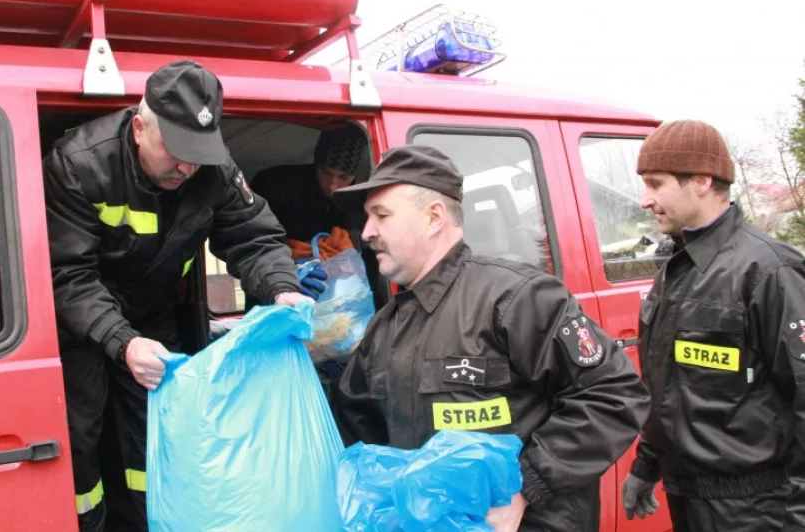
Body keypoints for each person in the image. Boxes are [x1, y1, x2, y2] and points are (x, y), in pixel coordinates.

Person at [42, 59, 311, 532]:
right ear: (140, 127)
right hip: (81, 328)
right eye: (177, 149)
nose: (187, 167)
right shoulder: (79, 164)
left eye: (199, 152)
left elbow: (255, 238)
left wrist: (281, 289)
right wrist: (122, 342)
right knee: (80, 436)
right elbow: (68, 275)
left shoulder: (212, 172)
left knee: (156, 436)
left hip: (154, 321)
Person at [330, 144, 651, 532]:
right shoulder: (384, 328)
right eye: (367, 218)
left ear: (434, 218)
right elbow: (356, 428)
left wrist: (525, 487)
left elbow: (613, 397)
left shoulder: (518, 297)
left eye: (381, 216)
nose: (367, 233)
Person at [621, 119, 805, 532]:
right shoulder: (677, 269)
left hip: (756, 509)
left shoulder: (769, 270)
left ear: (701, 181)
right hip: (689, 498)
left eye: (655, 183)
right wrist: (647, 465)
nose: (645, 200)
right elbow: (666, 382)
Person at [248, 123, 383, 306]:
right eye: (325, 172)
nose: (333, 185)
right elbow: (247, 244)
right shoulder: (275, 186)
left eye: (343, 177)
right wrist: (283, 275)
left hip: (342, 306)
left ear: (355, 176)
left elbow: (374, 264)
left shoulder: (363, 202)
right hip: (275, 299)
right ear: (315, 164)